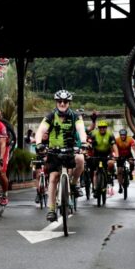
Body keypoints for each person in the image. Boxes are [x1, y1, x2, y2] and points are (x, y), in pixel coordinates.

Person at [34, 89, 87, 222]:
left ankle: (74, 185)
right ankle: (51, 209)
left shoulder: (75, 116)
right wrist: (39, 143)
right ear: (56, 102)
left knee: (80, 159)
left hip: (70, 150)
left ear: (69, 103)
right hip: (54, 151)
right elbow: (40, 130)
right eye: (60, 101)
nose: (62, 104)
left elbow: (81, 130)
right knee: (53, 177)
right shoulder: (50, 116)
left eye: (65, 101)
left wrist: (84, 142)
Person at [87, 119, 118, 198]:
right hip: (96, 153)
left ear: (106, 128)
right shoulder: (94, 134)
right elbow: (88, 143)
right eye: (100, 127)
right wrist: (88, 148)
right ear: (98, 128)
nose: (102, 129)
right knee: (94, 172)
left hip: (107, 153)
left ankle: (108, 174)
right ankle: (94, 188)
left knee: (110, 163)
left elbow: (114, 146)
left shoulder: (110, 135)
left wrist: (116, 155)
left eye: (104, 127)